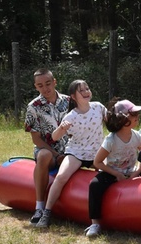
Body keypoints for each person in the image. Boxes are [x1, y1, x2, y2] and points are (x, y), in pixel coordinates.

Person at [35, 80, 107, 228]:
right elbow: (54, 137)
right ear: (73, 96)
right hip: (76, 153)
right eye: (82, 90)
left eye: (87, 88)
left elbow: (112, 122)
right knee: (61, 177)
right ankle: (47, 212)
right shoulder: (71, 116)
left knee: (110, 174)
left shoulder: (98, 107)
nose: (86, 92)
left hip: (96, 155)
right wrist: (62, 128)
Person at [85, 99, 141, 238]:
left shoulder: (137, 136)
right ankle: (95, 223)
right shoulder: (111, 140)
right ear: (122, 119)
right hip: (111, 173)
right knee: (94, 185)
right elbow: (97, 162)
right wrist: (116, 174)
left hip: (131, 171)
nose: (137, 116)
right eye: (133, 114)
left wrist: (137, 171)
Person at [24, 68, 70, 225]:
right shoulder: (33, 107)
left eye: (48, 83)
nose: (45, 88)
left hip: (70, 151)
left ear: (55, 82)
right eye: (40, 85)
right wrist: (57, 155)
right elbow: (36, 139)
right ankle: (39, 207)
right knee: (43, 155)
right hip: (48, 153)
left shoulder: (69, 101)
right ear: (36, 87)